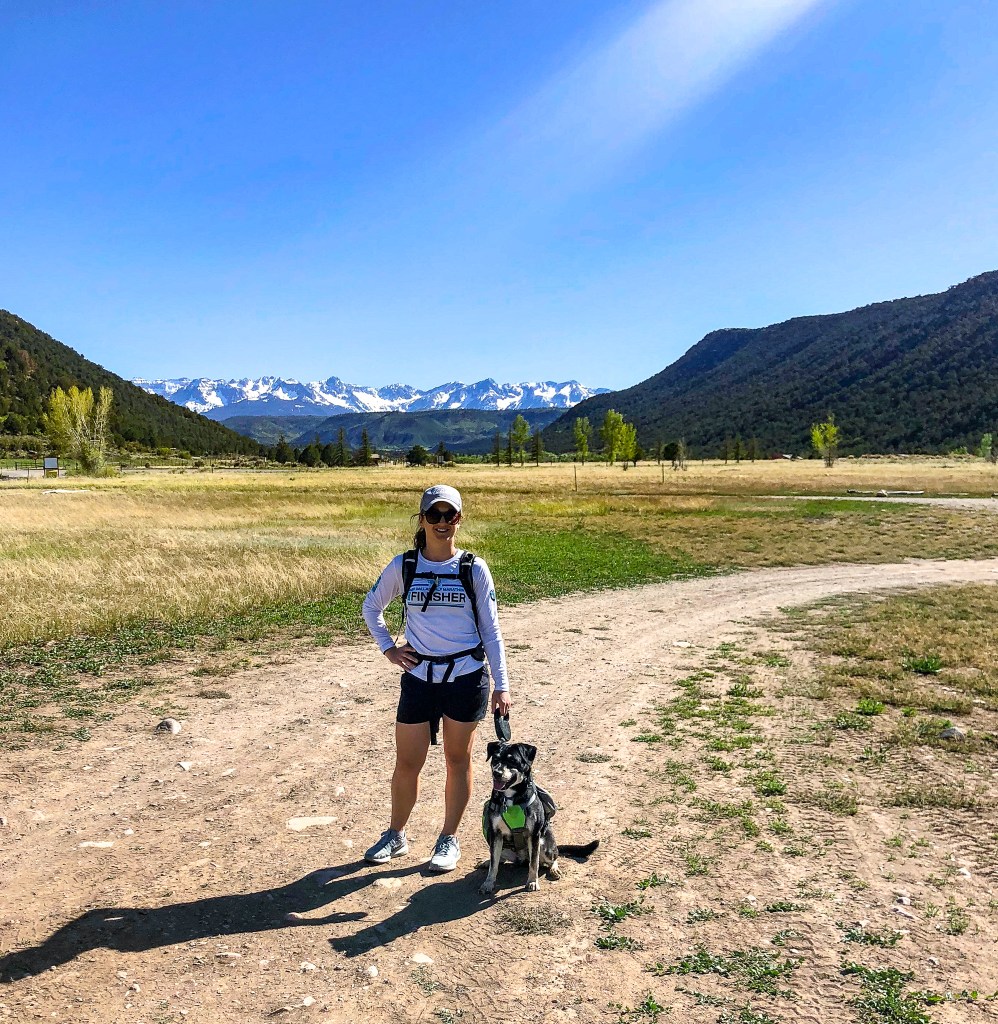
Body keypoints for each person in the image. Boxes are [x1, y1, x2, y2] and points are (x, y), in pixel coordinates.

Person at [361, 484, 511, 872]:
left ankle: (448, 839)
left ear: (459, 519)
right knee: (407, 762)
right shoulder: (405, 566)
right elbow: (371, 606)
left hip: (465, 677)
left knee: (457, 760)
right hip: (419, 679)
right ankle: (396, 835)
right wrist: (389, 649)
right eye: (435, 515)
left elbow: (492, 630)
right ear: (423, 518)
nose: (442, 522)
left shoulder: (473, 568)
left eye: (450, 515)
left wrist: (502, 685)